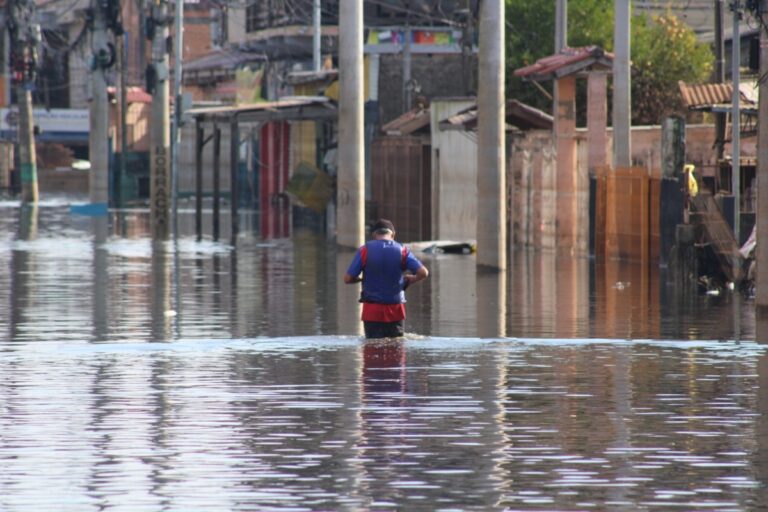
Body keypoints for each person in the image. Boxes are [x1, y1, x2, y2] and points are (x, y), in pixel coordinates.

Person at [344, 219, 429, 339]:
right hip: (396, 310)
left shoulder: (365, 250)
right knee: (397, 349)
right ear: (393, 234)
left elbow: (347, 279)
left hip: (371, 311)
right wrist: (411, 279)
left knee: (372, 350)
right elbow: (423, 273)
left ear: (374, 235)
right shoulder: (403, 250)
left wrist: (360, 279)